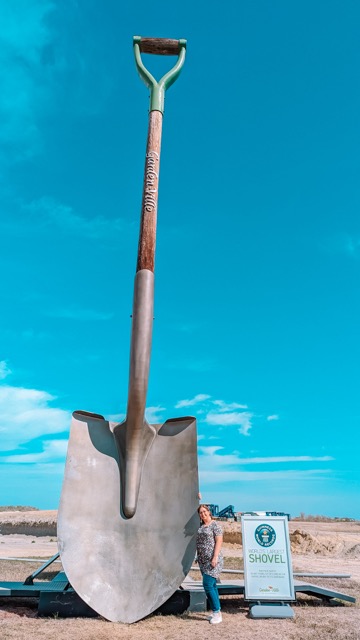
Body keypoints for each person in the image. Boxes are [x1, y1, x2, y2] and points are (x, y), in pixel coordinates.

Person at [196, 504, 224, 624]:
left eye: (204, 511)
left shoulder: (215, 525)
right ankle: (216, 612)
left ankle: (217, 612)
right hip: (203, 561)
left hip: (214, 560)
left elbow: (219, 540)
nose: (203, 514)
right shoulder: (201, 526)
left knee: (207, 584)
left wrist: (215, 557)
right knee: (212, 586)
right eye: (201, 512)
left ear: (209, 512)